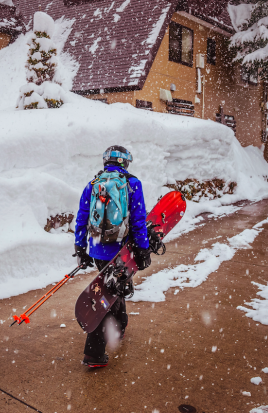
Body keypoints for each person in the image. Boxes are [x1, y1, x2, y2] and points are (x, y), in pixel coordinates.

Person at [73, 145, 152, 368]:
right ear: (125, 162)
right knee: (108, 297)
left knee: (114, 290)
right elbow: (138, 220)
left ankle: (119, 328)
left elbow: (82, 218)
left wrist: (81, 248)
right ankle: (94, 354)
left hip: (98, 250)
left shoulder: (93, 184)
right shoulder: (132, 184)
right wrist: (143, 249)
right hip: (121, 252)